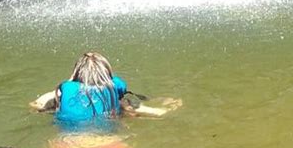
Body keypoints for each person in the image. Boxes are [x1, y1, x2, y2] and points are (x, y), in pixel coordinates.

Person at [30, 51, 181, 124]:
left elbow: (35, 105)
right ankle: (164, 108)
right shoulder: (112, 88)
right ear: (107, 75)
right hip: (111, 144)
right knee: (123, 107)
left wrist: (57, 94)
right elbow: (158, 113)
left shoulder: (65, 90)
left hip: (68, 145)